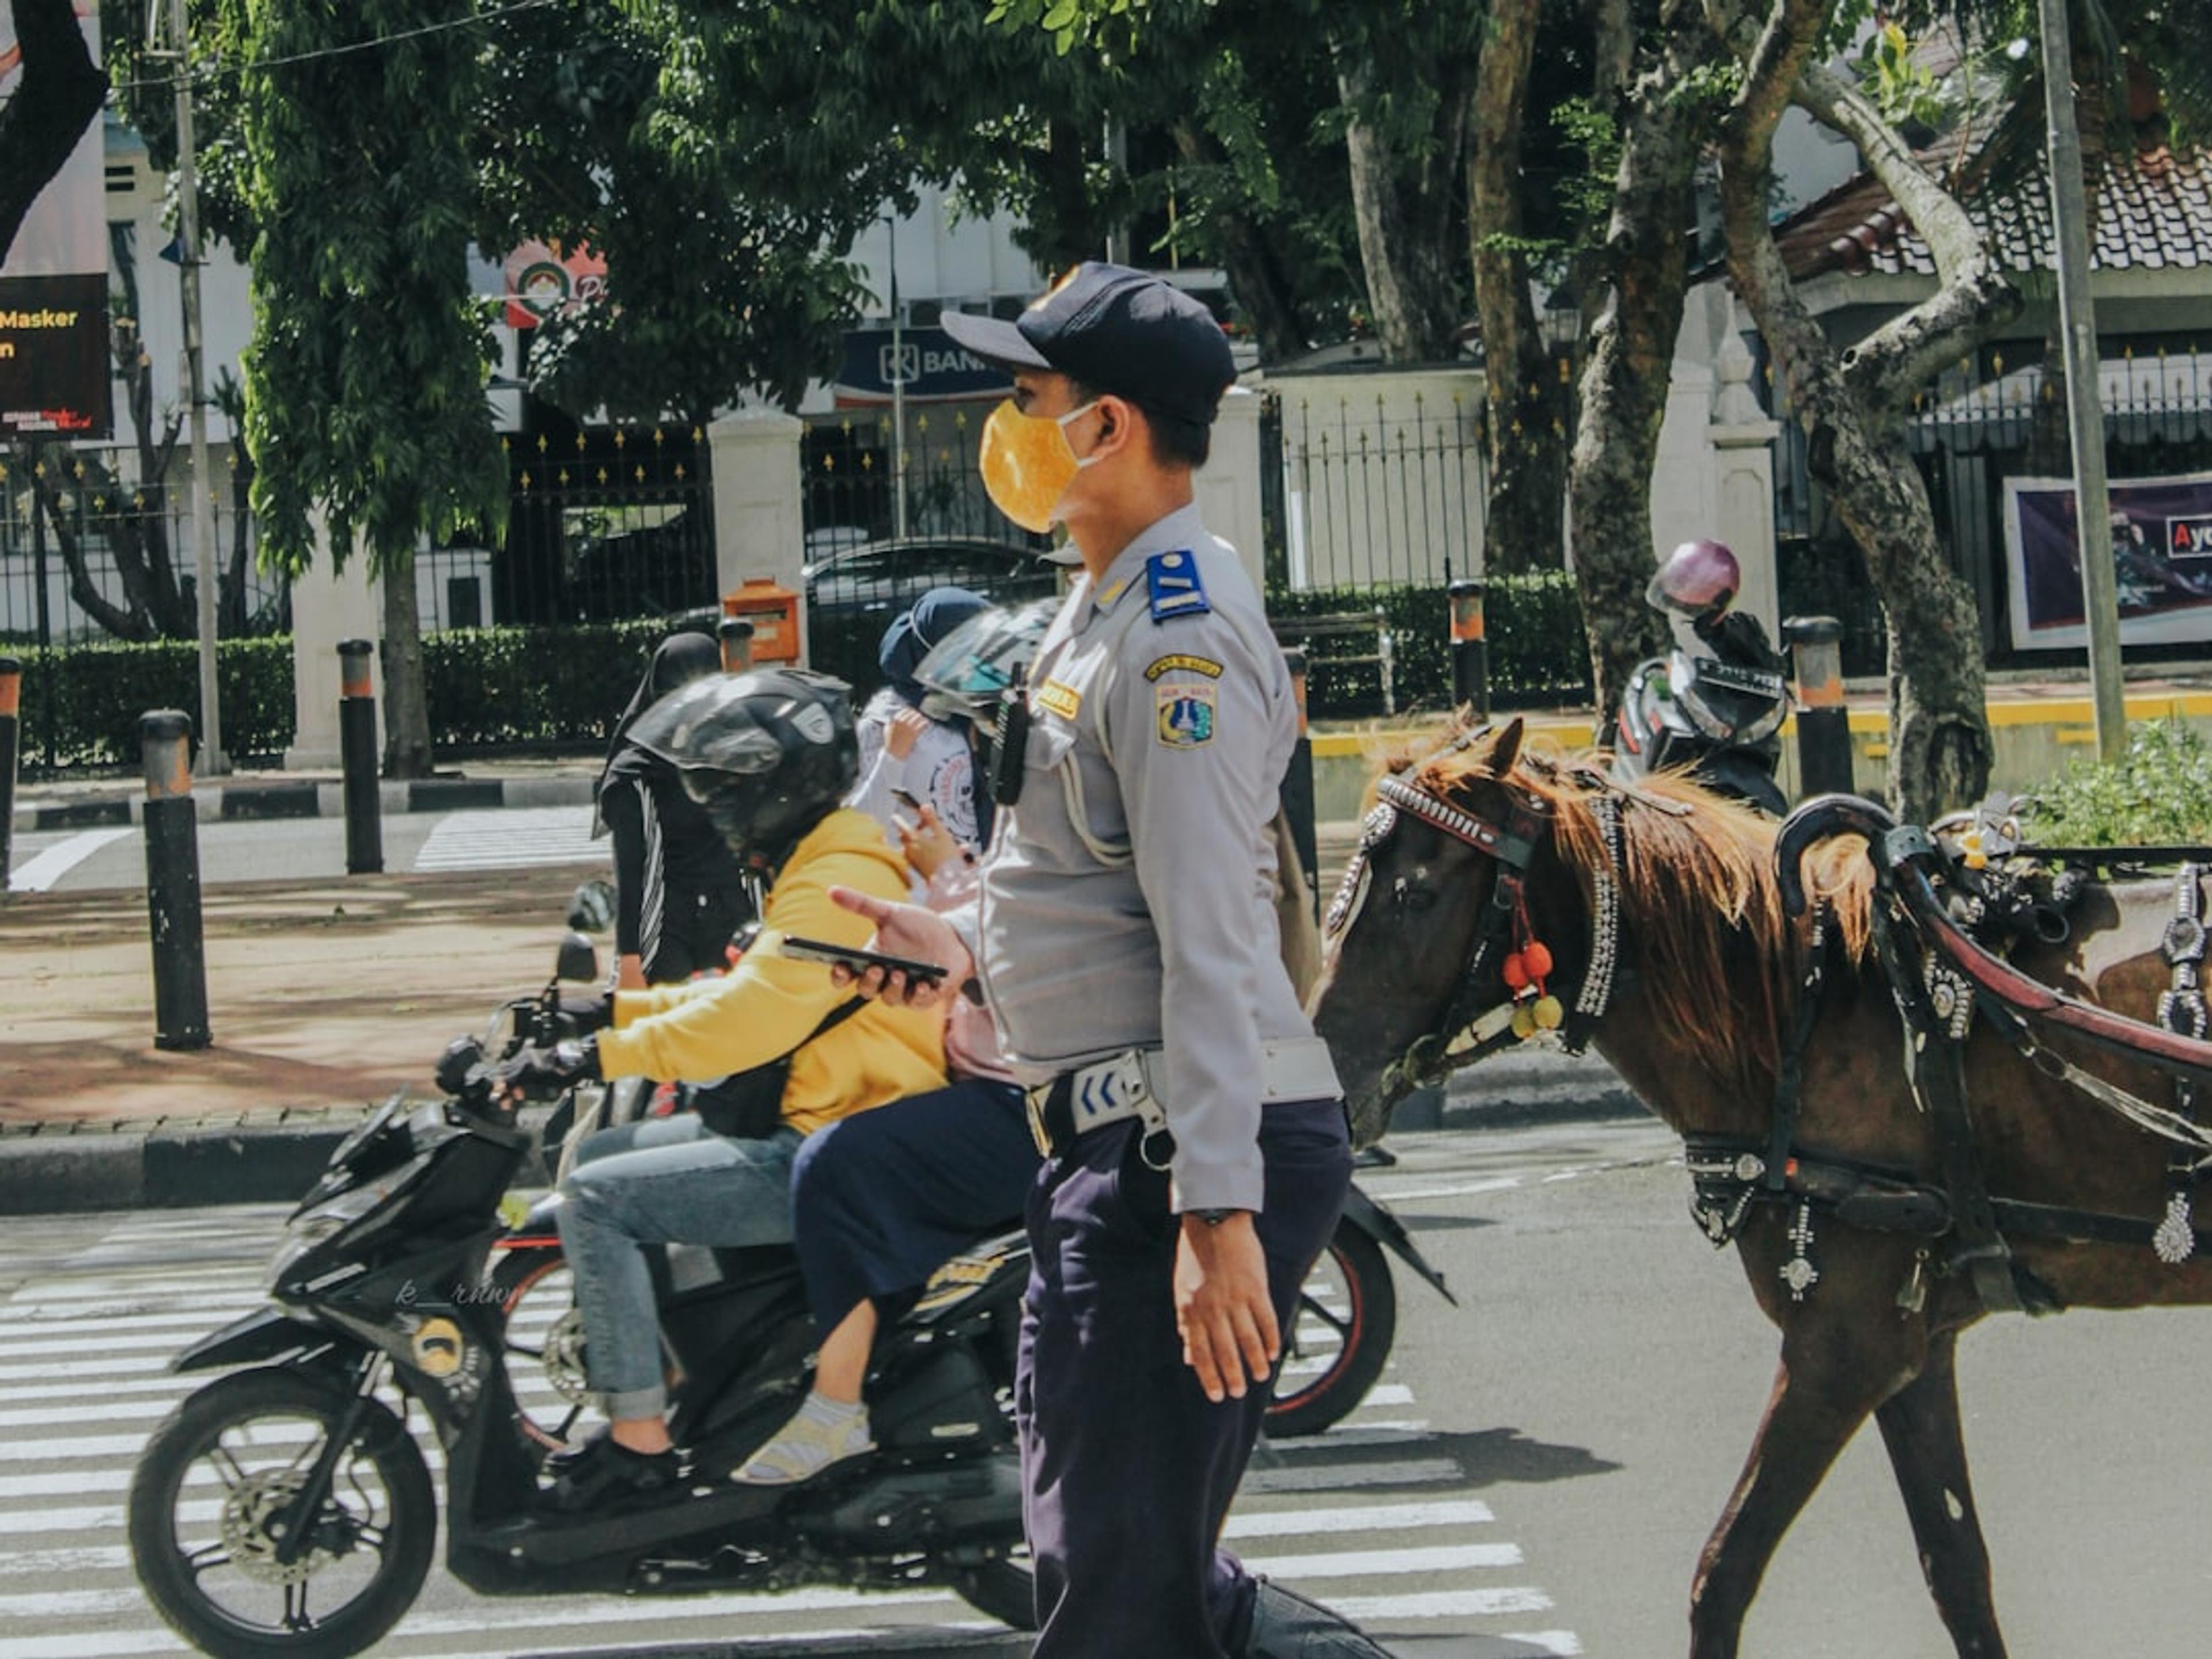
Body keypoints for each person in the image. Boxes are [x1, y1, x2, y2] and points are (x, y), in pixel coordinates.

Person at [831, 263, 1392, 1656]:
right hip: (1120, 1142)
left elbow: (1209, 934)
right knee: (1113, 1565)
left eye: (1027, 398)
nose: (1004, 426)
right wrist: (956, 949)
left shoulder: (1174, 636)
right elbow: (1094, 886)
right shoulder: (1102, 609)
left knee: (1118, 1591)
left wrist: (1215, 1215)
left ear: (1110, 428)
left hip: (1177, 1156)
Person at [496, 668, 948, 1512]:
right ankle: (682, 1370)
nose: (716, 809)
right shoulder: (827, 859)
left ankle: (639, 1443)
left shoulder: (835, 885)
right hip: (819, 1123)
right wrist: (606, 1007)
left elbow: (747, 1024)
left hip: (834, 1146)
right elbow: (738, 991)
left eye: (727, 791)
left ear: (779, 788)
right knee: (601, 1155)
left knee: (596, 1197)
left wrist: (596, 1055)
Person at [596, 632, 753, 988]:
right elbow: (631, 870)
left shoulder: (739, 757)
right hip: (666, 924)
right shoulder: (635, 775)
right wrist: (630, 960)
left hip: (733, 919)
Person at [847, 586, 991, 858]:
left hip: (974, 886)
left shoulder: (968, 711)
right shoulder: (884, 719)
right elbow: (860, 823)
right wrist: (892, 757)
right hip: (915, 892)